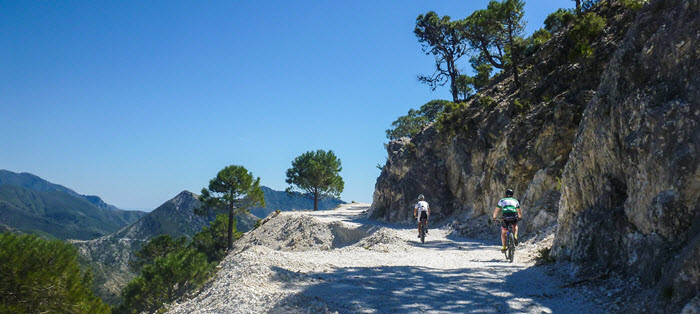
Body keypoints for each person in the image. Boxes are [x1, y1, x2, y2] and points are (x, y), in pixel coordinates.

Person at [492, 189, 522, 253]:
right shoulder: (515, 201)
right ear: (512, 195)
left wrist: (494, 218)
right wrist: (520, 217)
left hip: (505, 216)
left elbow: (496, 211)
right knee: (515, 225)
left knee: (504, 232)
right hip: (514, 215)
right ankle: (515, 236)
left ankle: (504, 247)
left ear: (505, 195)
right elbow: (519, 211)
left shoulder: (502, 200)